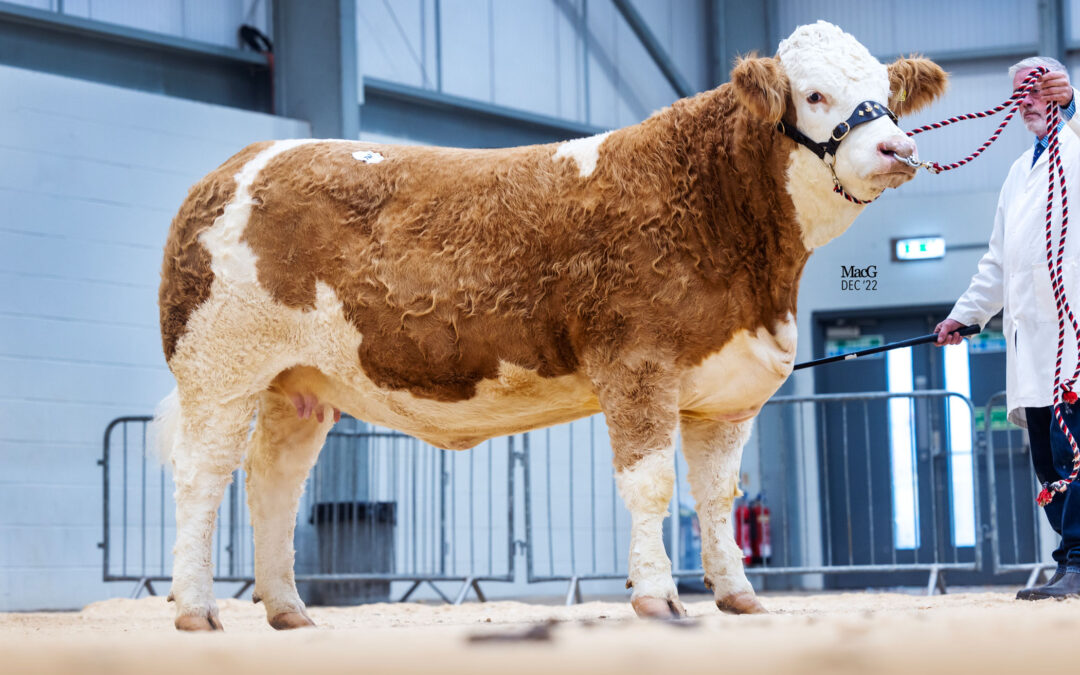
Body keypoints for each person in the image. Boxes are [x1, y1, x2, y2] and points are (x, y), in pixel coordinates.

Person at [936, 56, 1080, 600]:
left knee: (1077, 457)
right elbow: (997, 264)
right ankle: (1068, 561)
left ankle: (1079, 561)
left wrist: (1070, 106)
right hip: (1031, 348)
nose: (1025, 98)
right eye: (1018, 90)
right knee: (1050, 465)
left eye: (1035, 87)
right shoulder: (1018, 174)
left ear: (1056, 90)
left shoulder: (1075, 149)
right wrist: (964, 315)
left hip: (1072, 341)